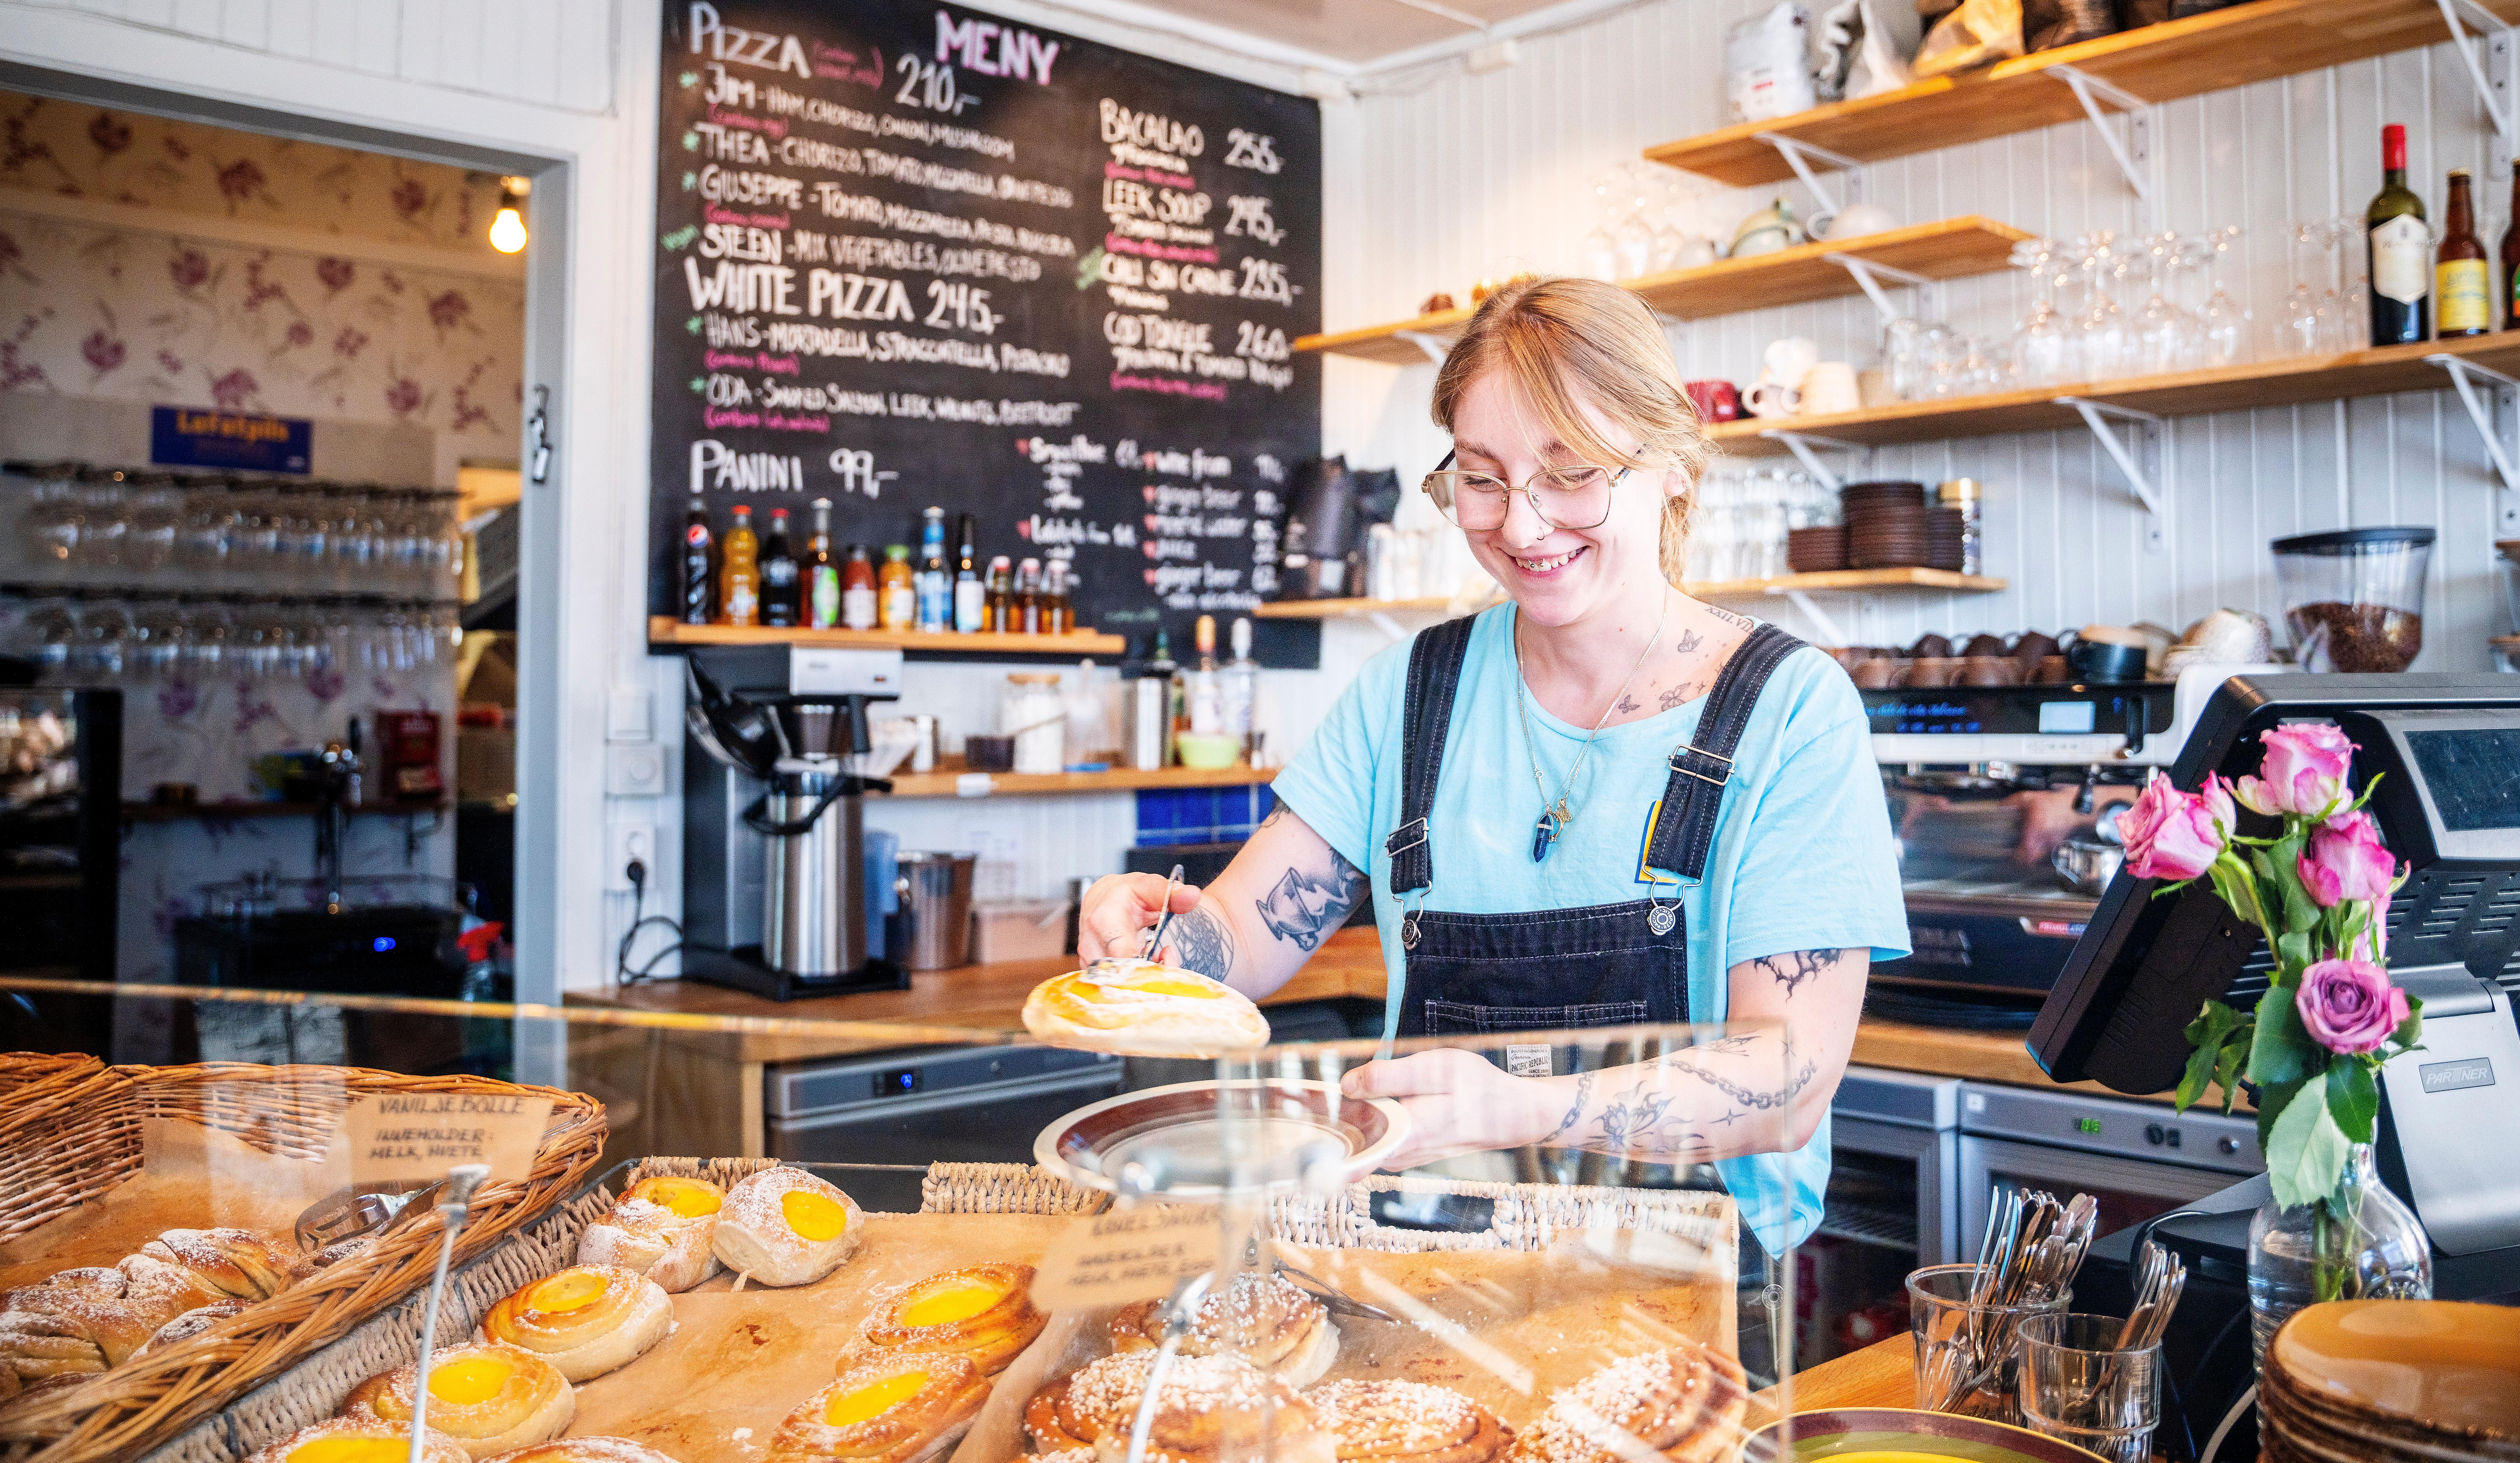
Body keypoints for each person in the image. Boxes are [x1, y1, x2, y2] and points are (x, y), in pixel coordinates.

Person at [1076, 277, 1907, 1251]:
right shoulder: (1407, 692)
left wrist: (1514, 1109)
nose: (1520, 526)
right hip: (1417, 1263)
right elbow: (1242, 933)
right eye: (1481, 477)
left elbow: (1786, 1080)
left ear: (1675, 461)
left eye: (1570, 472)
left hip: (1687, 1291)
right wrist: (1160, 951)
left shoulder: (1788, 711)